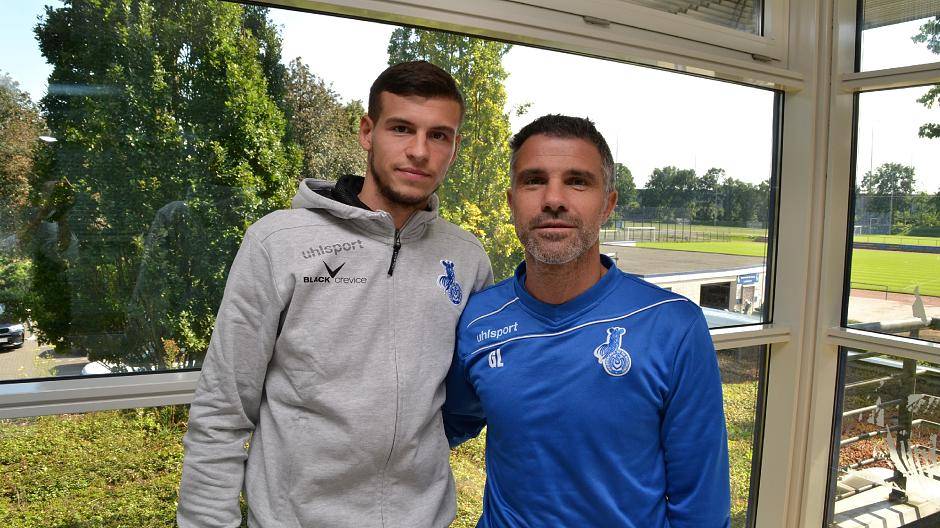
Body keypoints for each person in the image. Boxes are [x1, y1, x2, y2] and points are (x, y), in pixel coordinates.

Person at [177, 61, 493, 527]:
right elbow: (223, 408)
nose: (420, 151)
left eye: (439, 135)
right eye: (402, 128)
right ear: (368, 132)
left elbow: (466, 400)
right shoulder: (278, 243)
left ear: (454, 146)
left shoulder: (467, 260)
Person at [443, 114, 730, 527]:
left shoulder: (673, 327)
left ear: (608, 204)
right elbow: (441, 428)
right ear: (511, 202)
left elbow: (701, 507)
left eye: (577, 181)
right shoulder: (478, 319)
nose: (553, 199)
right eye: (534, 180)